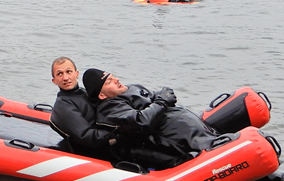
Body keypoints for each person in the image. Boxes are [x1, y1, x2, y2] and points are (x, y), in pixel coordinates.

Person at [84, 69, 219, 169]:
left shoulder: (133, 88)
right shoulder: (110, 109)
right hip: (178, 137)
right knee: (214, 147)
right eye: (109, 82)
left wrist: (162, 99)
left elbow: (159, 96)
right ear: (101, 95)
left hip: (194, 127)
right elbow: (142, 121)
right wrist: (162, 102)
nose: (117, 80)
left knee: (217, 138)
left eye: (113, 77)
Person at [47, 57, 117, 160]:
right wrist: (117, 135)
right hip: (98, 153)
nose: (65, 78)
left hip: (108, 141)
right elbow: (87, 137)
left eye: (69, 71)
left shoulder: (85, 93)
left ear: (77, 74)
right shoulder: (63, 105)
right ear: (54, 81)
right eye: (59, 74)